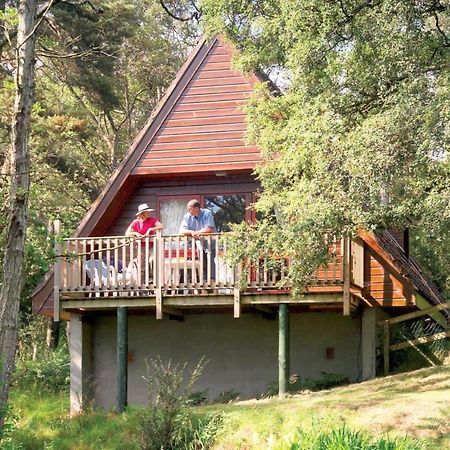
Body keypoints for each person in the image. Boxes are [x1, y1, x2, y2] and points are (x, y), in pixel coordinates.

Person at [179, 199, 216, 284]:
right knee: (202, 261)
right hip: (200, 243)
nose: (189, 211)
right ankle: (204, 281)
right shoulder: (187, 216)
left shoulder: (207, 213)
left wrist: (196, 232)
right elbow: (181, 230)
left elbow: (209, 229)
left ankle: (212, 280)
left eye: (190, 209)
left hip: (210, 242)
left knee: (210, 260)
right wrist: (191, 232)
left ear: (197, 208)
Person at [125, 203, 163, 284]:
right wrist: (135, 234)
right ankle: (141, 285)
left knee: (152, 260)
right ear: (142, 213)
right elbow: (127, 233)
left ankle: (154, 281)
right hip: (141, 247)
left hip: (152, 245)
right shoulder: (135, 222)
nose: (149, 213)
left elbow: (161, 226)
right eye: (147, 212)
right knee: (141, 266)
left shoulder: (152, 220)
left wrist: (150, 229)